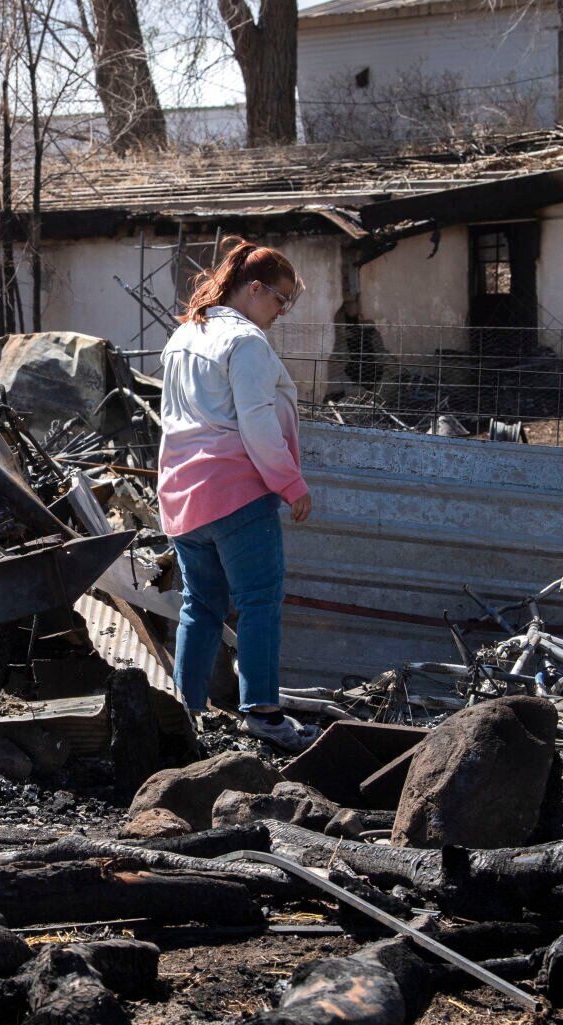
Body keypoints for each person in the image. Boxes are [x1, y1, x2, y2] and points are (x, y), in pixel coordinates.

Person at [157, 237, 317, 751]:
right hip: (236, 493)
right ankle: (264, 714)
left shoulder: (185, 334)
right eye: (280, 299)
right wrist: (290, 482)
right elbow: (256, 422)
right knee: (260, 601)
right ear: (254, 289)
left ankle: (185, 711)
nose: (281, 312)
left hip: (183, 495)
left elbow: (171, 418)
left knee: (200, 604)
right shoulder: (245, 342)